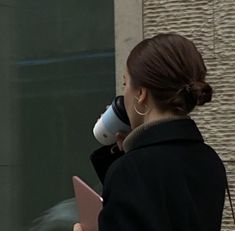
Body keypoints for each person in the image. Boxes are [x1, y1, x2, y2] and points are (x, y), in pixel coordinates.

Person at [74, 33, 227, 231]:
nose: (123, 95)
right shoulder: (209, 160)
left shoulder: (130, 171)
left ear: (141, 94)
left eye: (125, 83)